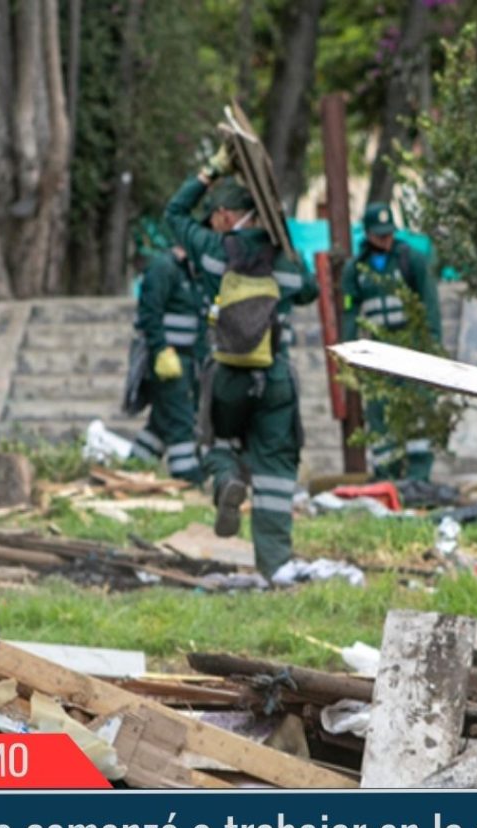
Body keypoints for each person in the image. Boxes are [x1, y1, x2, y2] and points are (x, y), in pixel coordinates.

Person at [164, 157, 318, 581]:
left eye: (216, 216)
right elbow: (310, 291)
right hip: (275, 377)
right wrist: (288, 244)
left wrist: (208, 172)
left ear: (227, 215)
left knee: (216, 441)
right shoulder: (284, 259)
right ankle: (276, 566)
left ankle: (227, 481)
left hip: (227, 373)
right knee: (275, 467)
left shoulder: (214, 252)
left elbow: (173, 214)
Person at [340, 202, 441, 481]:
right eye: (379, 234)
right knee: (380, 415)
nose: (385, 240)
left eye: (388, 233)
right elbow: (349, 313)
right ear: (368, 234)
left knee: (418, 413)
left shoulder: (412, 260)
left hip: (411, 348)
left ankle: (419, 477)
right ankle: (387, 476)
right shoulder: (356, 268)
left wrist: (432, 349)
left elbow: (430, 307)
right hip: (378, 351)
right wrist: (348, 354)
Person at [128, 244, 206, 483]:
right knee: (180, 419)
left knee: (161, 423)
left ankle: (133, 467)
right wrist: (160, 349)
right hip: (168, 359)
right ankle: (187, 476)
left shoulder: (193, 273)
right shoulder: (164, 268)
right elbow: (149, 312)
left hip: (187, 359)